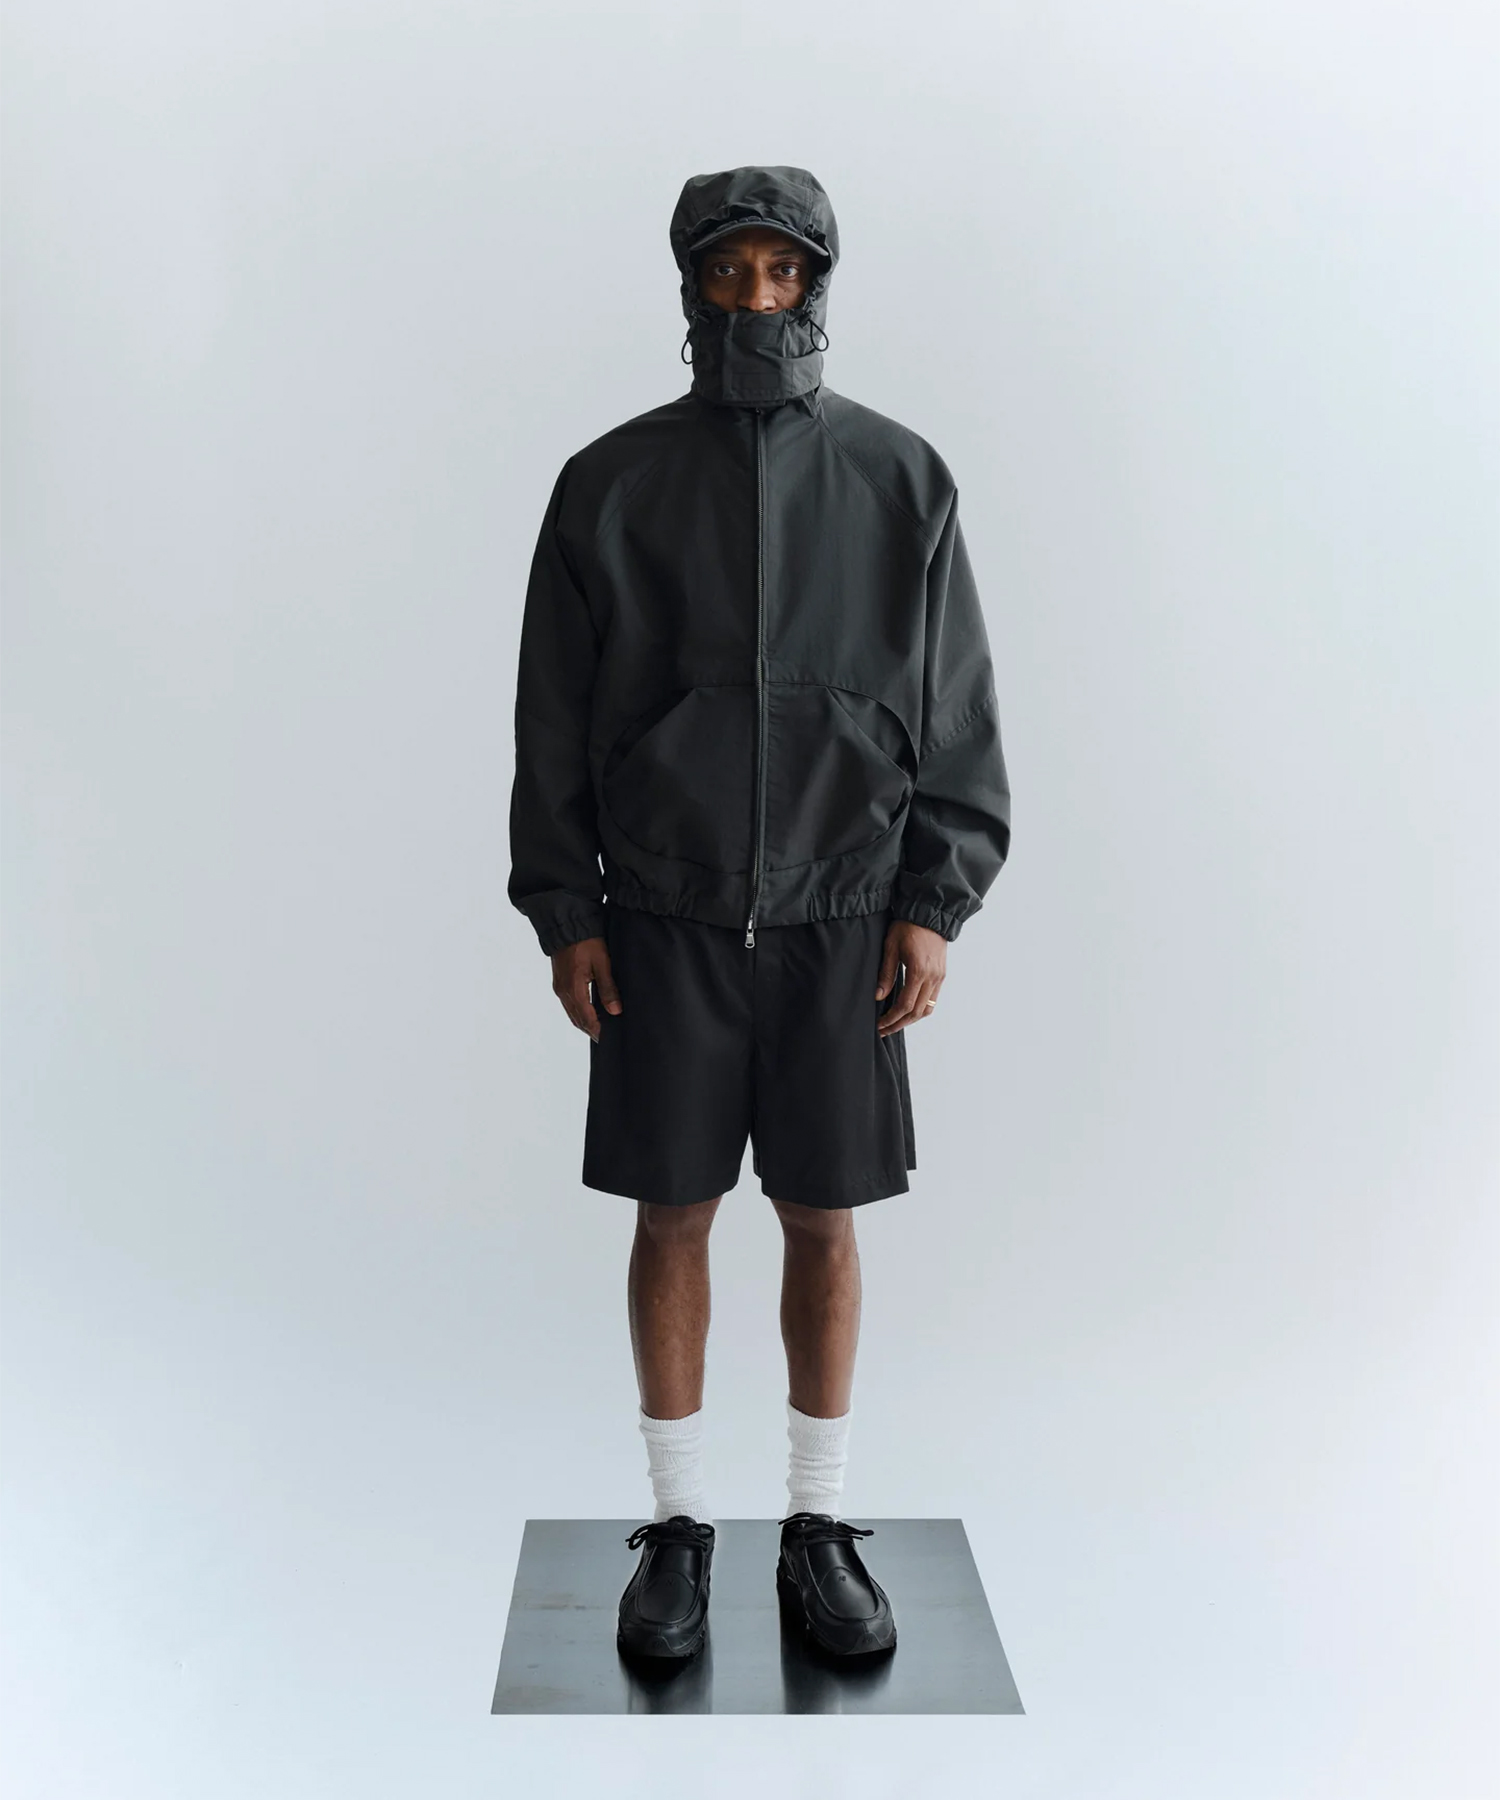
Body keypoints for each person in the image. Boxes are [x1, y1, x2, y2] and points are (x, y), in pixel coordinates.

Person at [508, 165, 1010, 1664]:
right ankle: (676, 1529)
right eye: (729, 271)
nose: (756, 295)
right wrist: (567, 907)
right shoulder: (609, 483)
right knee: (672, 1211)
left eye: (782, 271)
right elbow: (551, 715)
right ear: (690, 286)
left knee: (822, 1213)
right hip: (661, 913)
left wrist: (933, 898)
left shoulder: (902, 479)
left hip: (840, 914)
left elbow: (959, 706)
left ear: (818, 284)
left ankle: (818, 1525)